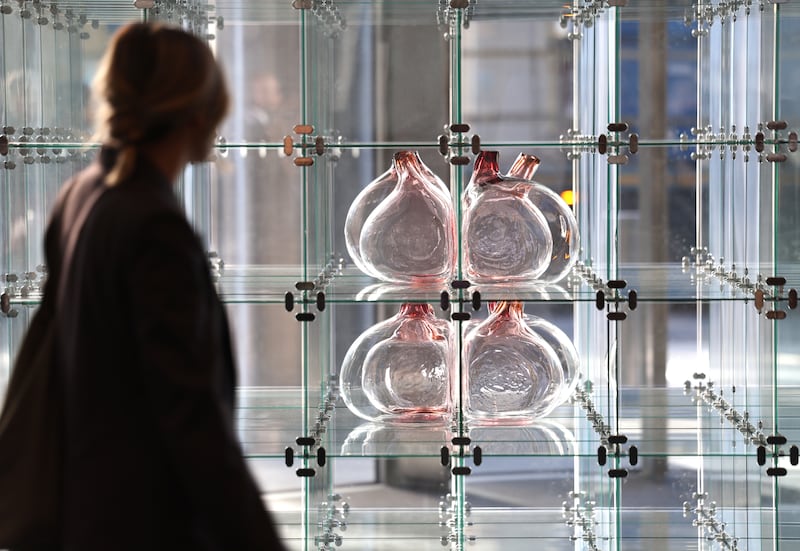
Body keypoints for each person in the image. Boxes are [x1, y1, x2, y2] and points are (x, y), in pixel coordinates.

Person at [44, 22, 286, 550]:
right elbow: (191, 418)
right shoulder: (154, 227)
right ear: (199, 113)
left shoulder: (81, 196)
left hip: (90, 511)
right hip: (148, 522)